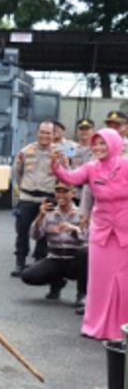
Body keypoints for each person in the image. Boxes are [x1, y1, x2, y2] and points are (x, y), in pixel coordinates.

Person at [52, 128, 128, 340]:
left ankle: (122, 328)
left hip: (125, 232)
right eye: (96, 144)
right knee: (100, 281)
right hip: (102, 232)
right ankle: (95, 325)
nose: (98, 148)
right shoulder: (91, 168)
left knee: (123, 281)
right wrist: (57, 165)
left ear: (114, 145)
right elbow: (70, 178)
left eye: (103, 144)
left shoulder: (127, 165)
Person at [20, 182, 87, 310]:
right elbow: (35, 236)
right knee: (27, 276)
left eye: (64, 191)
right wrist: (40, 216)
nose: (60, 195)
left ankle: (82, 293)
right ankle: (57, 282)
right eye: (58, 192)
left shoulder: (81, 214)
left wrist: (74, 231)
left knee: (86, 253)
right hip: (55, 258)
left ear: (73, 194)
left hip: (75, 260)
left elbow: (88, 238)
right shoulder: (49, 213)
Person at [11, 120, 57, 276]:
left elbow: (66, 173)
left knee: (44, 233)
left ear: (53, 135)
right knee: (22, 230)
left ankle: (39, 262)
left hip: (48, 197)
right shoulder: (25, 152)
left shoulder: (58, 153)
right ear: (37, 133)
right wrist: (24, 188)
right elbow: (17, 173)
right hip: (28, 196)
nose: (45, 136)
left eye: (48, 133)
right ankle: (20, 262)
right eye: (42, 132)